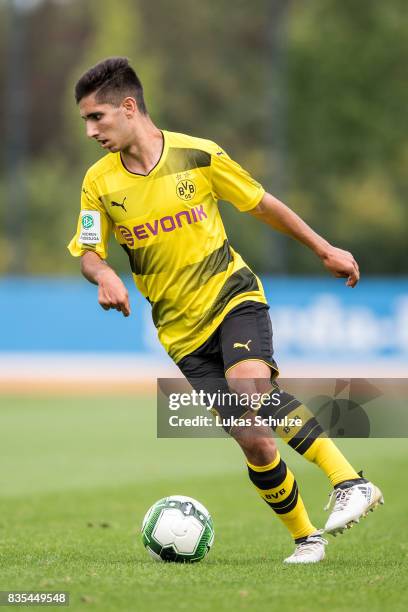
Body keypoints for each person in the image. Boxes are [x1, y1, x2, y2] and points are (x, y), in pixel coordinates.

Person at [68, 57, 383, 564]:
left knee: (251, 391)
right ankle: (308, 539)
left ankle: (350, 482)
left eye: (96, 117)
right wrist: (104, 274)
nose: (90, 130)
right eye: (85, 120)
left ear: (129, 107)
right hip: (180, 333)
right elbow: (87, 249)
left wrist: (323, 248)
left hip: (232, 295)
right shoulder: (98, 183)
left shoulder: (198, 155)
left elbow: (261, 204)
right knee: (255, 441)